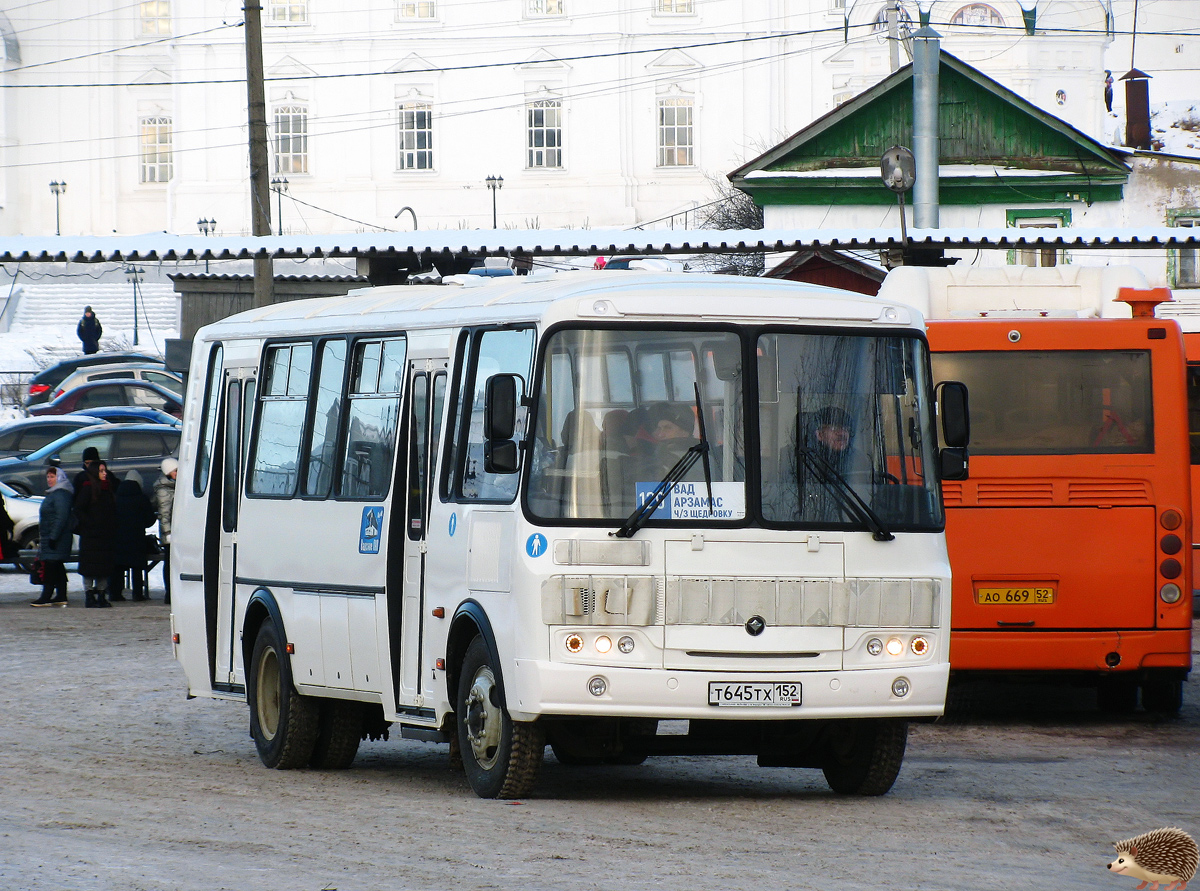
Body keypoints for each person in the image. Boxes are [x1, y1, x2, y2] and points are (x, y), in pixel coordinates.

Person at [75, 458, 117, 608]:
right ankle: (89, 595)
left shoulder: (108, 489)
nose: (105, 473)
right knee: (90, 568)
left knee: (103, 568)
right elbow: (78, 509)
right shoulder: (88, 488)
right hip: (91, 535)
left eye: (105, 470)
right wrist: (90, 523)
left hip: (105, 535)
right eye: (101, 471)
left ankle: (101, 595)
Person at [110, 469, 157, 602]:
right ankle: (137, 594)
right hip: (137, 539)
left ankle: (115, 593)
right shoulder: (142, 499)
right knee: (137, 567)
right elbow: (149, 520)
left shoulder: (116, 498)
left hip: (118, 539)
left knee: (118, 567)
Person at [30, 465, 73, 607]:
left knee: (50, 565)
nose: (49, 479)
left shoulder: (60, 494)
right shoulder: (55, 493)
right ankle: (61, 595)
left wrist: (53, 537)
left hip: (56, 537)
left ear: (59, 477)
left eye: (52, 476)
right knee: (56, 564)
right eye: (48, 476)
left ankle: (46, 595)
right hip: (53, 536)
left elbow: (61, 517)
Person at [154, 457, 177, 605]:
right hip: (170, 534)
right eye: (175, 470)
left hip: (175, 532)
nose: (178, 473)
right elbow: (164, 514)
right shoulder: (164, 490)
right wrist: (167, 533)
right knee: (169, 563)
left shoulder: (172, 486)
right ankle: (169, 593)